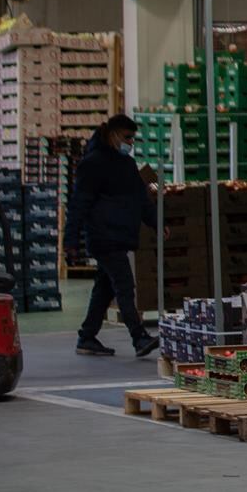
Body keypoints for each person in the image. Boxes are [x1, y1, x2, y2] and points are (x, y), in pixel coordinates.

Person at [65, 114, 159, 358]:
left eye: (133, 139)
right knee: (124, 285)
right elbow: (79, 204)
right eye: (128, 138)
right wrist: (71, 241)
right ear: (113, 134)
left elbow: (141, 198)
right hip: (104, 237)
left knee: (105, 288)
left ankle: (87, 337)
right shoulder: (92, 164)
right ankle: (138, 337)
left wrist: (158, 223)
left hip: (120, 235)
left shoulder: (126, 164)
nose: (131, 143)